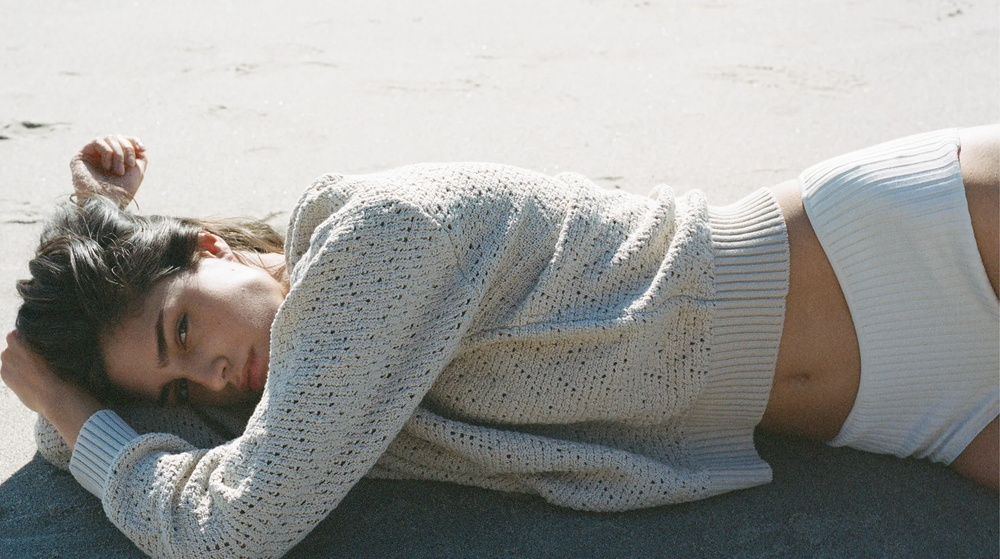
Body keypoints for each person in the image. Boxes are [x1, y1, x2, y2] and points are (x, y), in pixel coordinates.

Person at [2, 128, 997, 558]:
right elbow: (99, 444)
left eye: (185, 328)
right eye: (180, 389)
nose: (211, 376)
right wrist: (79, 389)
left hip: (901, 247)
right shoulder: (319, 388)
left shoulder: (372, 241)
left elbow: (226, 530)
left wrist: (69, 402)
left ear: (212, 243)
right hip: (904, 416)